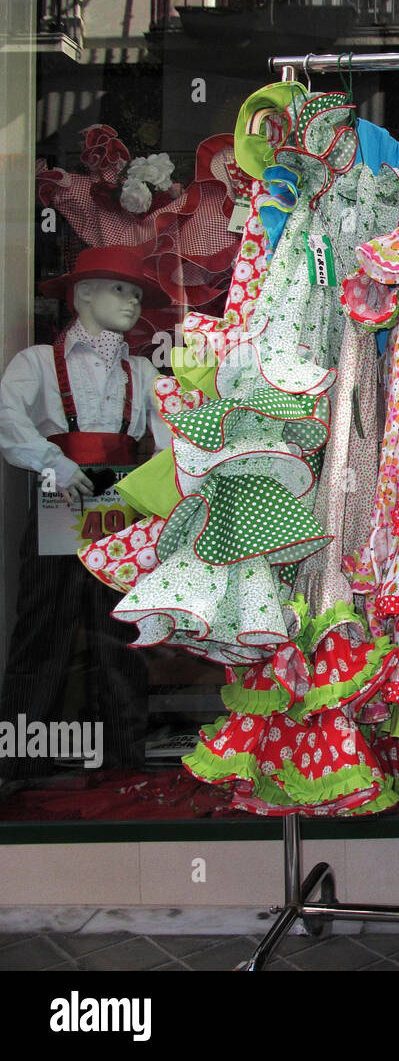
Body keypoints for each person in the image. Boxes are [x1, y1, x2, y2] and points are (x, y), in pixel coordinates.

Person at [0, 245, 171, 782]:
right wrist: (52, 460)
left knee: (120, 631)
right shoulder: (35, 363)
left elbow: (169, 439)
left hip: (121, 514)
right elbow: (8, 419)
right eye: (120, 288)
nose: (132, 302)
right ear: (82, 295)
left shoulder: (141, 370)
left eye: (137, 293)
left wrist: (162, 494)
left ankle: (123, 758)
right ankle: (19, 759)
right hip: (58, 507)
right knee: (43, 628)